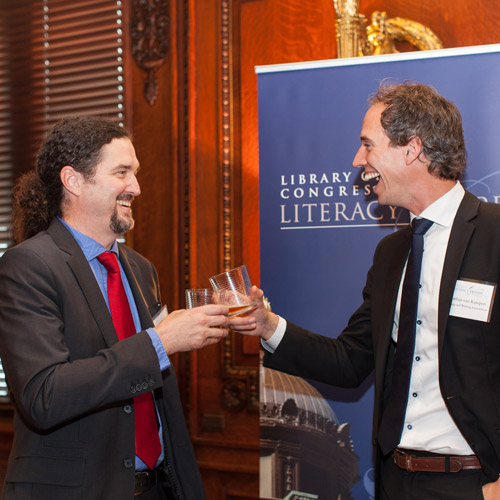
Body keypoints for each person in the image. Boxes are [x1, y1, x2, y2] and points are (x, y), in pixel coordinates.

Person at [230, 82, 500, 499]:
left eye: (368, 146)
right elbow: (350, 361)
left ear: (412, 149)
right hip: (395, 481)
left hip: (475, 484)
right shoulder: (392, 253)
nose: (358, 161)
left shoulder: (496, 234)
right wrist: (267, 326)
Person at [0, 116, 230, 500]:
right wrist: (160, 342)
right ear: (73, 181)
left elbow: (152, 386)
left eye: (135, 173)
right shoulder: (27, 266)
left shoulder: (141, 268)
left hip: (159, 486)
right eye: (122, 172)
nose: (136, 187)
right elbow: (44, 395)